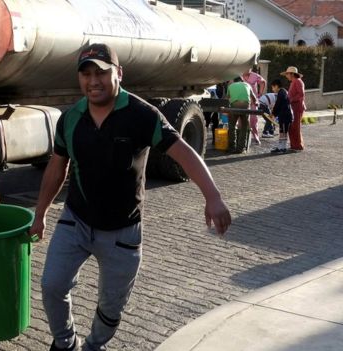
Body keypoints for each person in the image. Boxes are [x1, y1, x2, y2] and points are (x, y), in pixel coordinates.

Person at [29, 43, 232, 351]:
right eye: (86, 73)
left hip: (123, 231)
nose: (93, 80)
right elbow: (57, 169)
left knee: (111, 308)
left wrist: (213, 196)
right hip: (77, 220)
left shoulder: (142, 115)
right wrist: (41, 213)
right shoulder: (70, 119)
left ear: (118, 74)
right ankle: (65, 343)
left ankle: (94, 346)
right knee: (51, 285)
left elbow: (184, 154)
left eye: (101, 72)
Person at [225, 76, 257, 154]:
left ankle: (231, 147)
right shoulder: (247, 85)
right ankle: (240, 148)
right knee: (244, 127)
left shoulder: (231, 86)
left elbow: (226, 98)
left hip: (234, 106)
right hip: (246, 107)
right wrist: (254, 103)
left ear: (234, 81)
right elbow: (254, 98)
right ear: (242, 80)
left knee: (232, 126)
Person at [282, 66, 306, 151]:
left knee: (295, 127)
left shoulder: (298, 82)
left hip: (297, 107)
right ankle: (294, 145)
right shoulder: (294, 82)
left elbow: (301, 94)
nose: (286, 76)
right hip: (293, 107)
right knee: (292, 127)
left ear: (292, 74)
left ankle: (298, 146)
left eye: (287, 74)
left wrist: (290, 100)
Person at [242, 67, 266, 145]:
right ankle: (243, 138)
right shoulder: (239, 75)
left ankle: (256, 137)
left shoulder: (255, 76)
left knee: (253, 120)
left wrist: (260, 93)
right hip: (242, 101)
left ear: (251, 69)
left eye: (249, 68)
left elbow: (263, 82)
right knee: (242, 120)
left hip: (253, 102)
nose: (247, 69)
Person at [270, 79, 293, 153]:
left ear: (276, 86)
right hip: (286, 115)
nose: (272, 89)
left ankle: (282, 148)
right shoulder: (283, 91)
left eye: (273, 87)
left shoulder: (281, 93)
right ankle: (281, 147)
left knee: (283, 132)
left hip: (284, 116)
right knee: (283, 132)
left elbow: (278, 105)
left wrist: (273, 114)